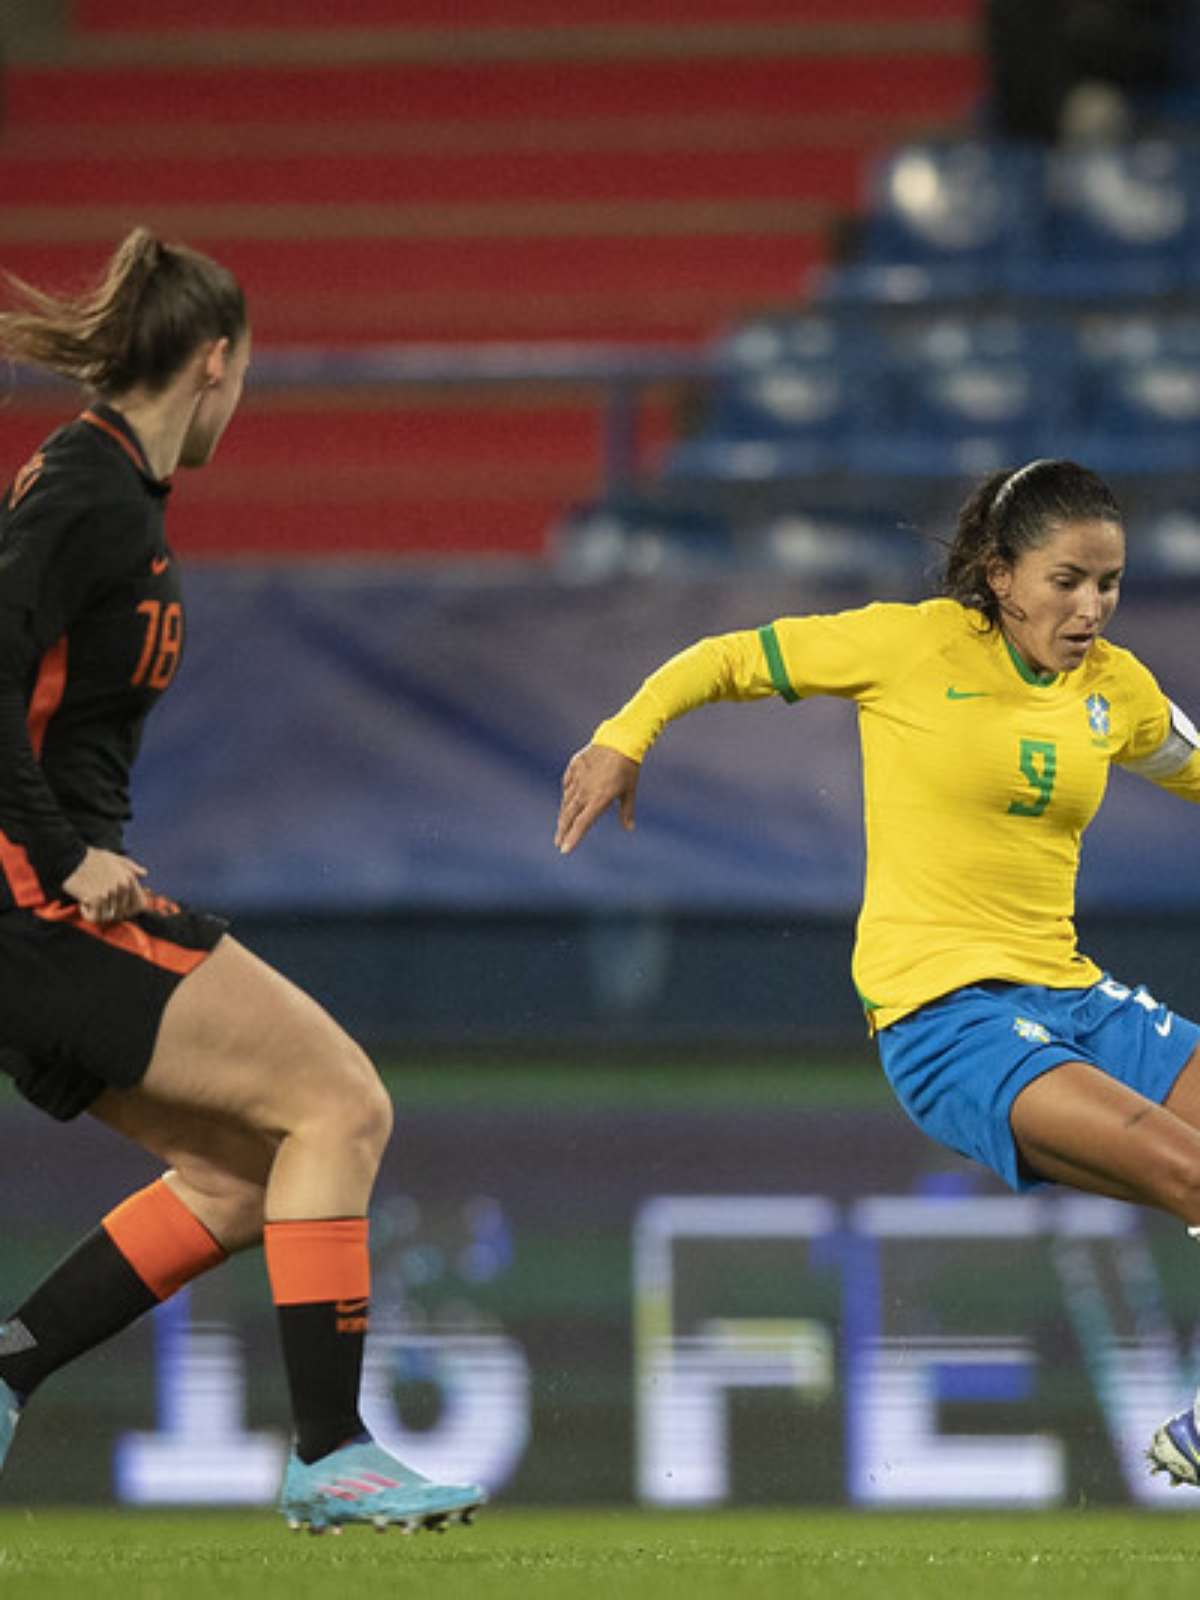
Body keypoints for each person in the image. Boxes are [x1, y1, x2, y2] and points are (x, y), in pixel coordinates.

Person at [556, 457, 1200, 1488]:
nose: (1091, 609)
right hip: (948, 1021)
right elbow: (729, 658)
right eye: (1066, 580)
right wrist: (624, 734)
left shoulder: (1113, 689)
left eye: (1110, 583)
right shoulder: (907, 645)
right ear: (999, 574)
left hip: (1072, 995)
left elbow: (1192, 765)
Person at [0, 228, 484, 1535]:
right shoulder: (85, 494)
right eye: (247, 369)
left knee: (239, 1175)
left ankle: (8, 1371)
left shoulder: (108, 489)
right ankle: (331, 1450)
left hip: (33, 913)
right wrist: (61, 855)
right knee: (341, 1100)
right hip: (35, 906)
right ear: (214, 360)